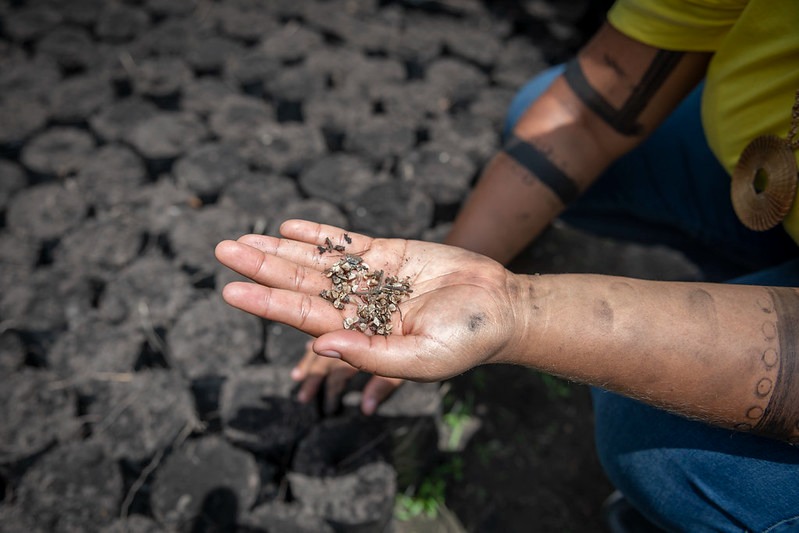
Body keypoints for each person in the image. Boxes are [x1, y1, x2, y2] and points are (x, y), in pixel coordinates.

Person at [216, 1, 799, 530]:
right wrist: (463, 268)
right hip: (762, 162)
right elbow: (588, 114)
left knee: (658, 438)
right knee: (537, 116)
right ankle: (752, 272)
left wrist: (516, 309)